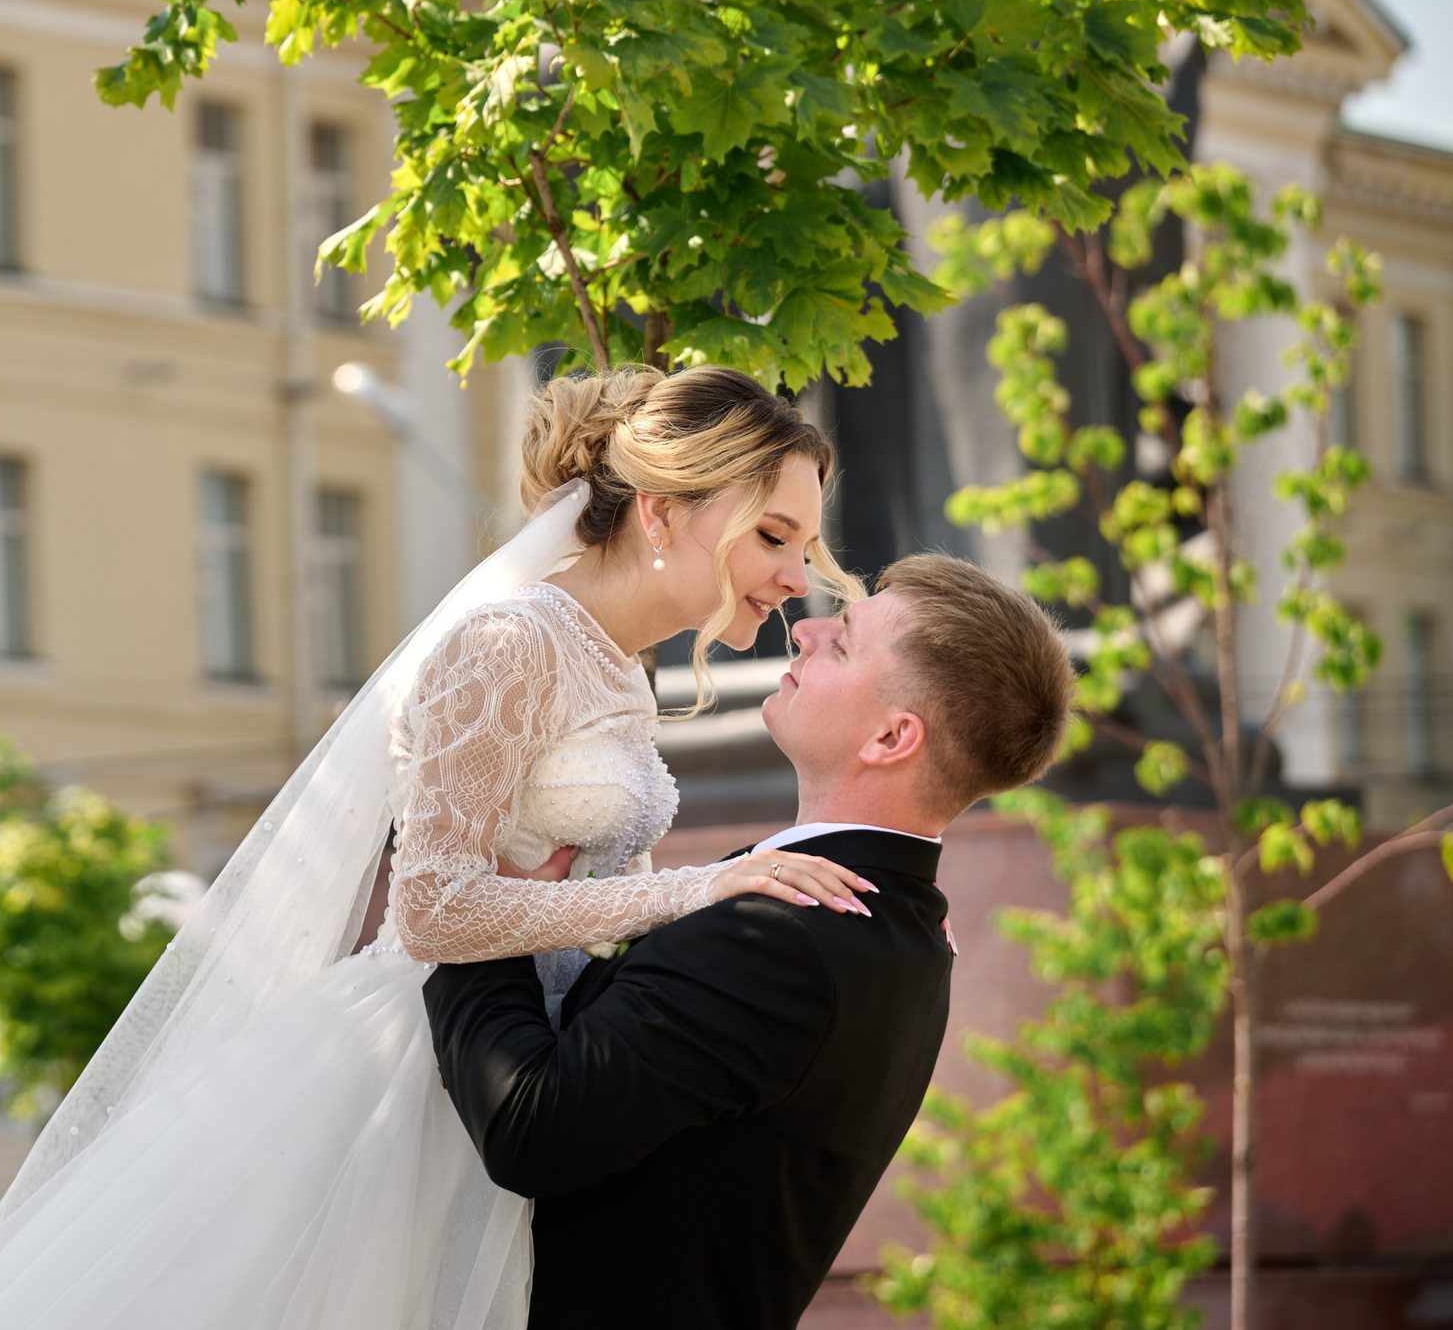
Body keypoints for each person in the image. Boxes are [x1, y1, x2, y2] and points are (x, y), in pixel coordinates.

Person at [0, 366, 893, 1330]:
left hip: (535, 1068)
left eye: (804, 546)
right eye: (773, 536)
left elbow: (591, 895)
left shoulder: (619, 666)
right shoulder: (509, 644)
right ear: (662, 512)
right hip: (416, 1072)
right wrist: (698, 890)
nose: (795, 578)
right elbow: (431, 907)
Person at [424, 553, 1074, 1327]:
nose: (805, 630)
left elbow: (530, 1126)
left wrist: (483, 903)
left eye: (842, 642)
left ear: (892, 736)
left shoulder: (786, 936)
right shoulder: (901, 924)